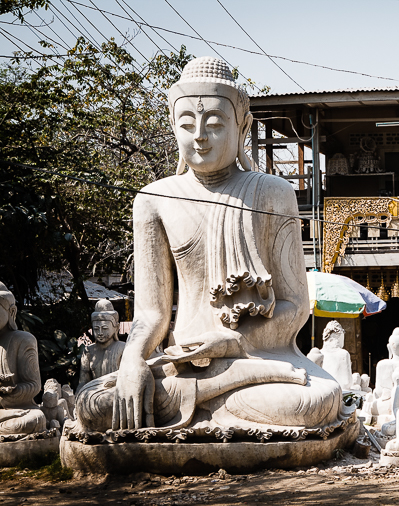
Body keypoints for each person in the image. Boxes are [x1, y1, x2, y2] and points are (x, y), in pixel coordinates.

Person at [74, 57, 342, 432]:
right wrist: (133, 360)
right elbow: (152, 313)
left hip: (257, 359)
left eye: (214, 123)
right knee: (93, 404)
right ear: (173, 127)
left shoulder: (272, 194)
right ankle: (204, 396)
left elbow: (296, 306)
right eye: (187, 124)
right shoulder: (154, 199)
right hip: (181, 365)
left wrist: (231, 342)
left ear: (242, 126)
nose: (199, 135)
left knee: (307, 403)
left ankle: (207, 398)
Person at [0, 282, 47, 435]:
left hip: (18, 409)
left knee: (34, 420)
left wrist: (10, 392)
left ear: (11, 312)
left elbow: (34, 385)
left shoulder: (23, 339)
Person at [77, 299, 126, 392]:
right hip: (94, 394)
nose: (100, 333)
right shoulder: (88, 351)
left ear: (116, 327)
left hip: (116, 392)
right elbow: (83, 382)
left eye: (104, 328)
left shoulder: (123, 348)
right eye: (96, 329)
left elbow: (128, 378)